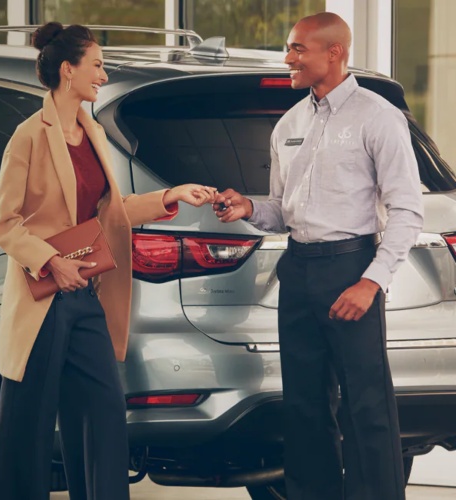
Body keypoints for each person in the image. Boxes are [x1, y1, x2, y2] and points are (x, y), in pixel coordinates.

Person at [0, 22, 215, 500]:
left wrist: (170, 195)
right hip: (43, 299)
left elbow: (111, 213)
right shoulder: (27, 136)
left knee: (105, 415)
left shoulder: (91, 131)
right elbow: (5, 223)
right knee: (27, 427)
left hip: (86, 296)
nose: (103, 74)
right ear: (68, 71)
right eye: (97, 65)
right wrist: (52, 262)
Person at [213, 12, 423, 500]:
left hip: (352, 270)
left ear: (335, 52)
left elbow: (408, 211)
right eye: (288, 48)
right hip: (299, 271)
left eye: (297, 49)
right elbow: (283, 211)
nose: (288, 58)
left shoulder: (377, 117)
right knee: (304, 407)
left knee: (366, 407)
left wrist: (371, 282)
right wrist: (247, 207)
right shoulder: (290, 122)